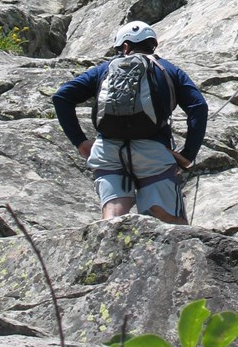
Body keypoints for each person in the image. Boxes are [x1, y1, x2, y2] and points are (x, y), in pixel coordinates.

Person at [52, 20, 208, 224]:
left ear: (124, 47)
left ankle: (108, 250)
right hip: (153, 154)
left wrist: (80, 141)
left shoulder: (104, 69)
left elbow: (61, 97)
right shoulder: (168, 70)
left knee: (112, 217)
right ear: (152, 45)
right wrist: (188, 154)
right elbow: (198, 107)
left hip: (108, 152)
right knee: (169, 221)